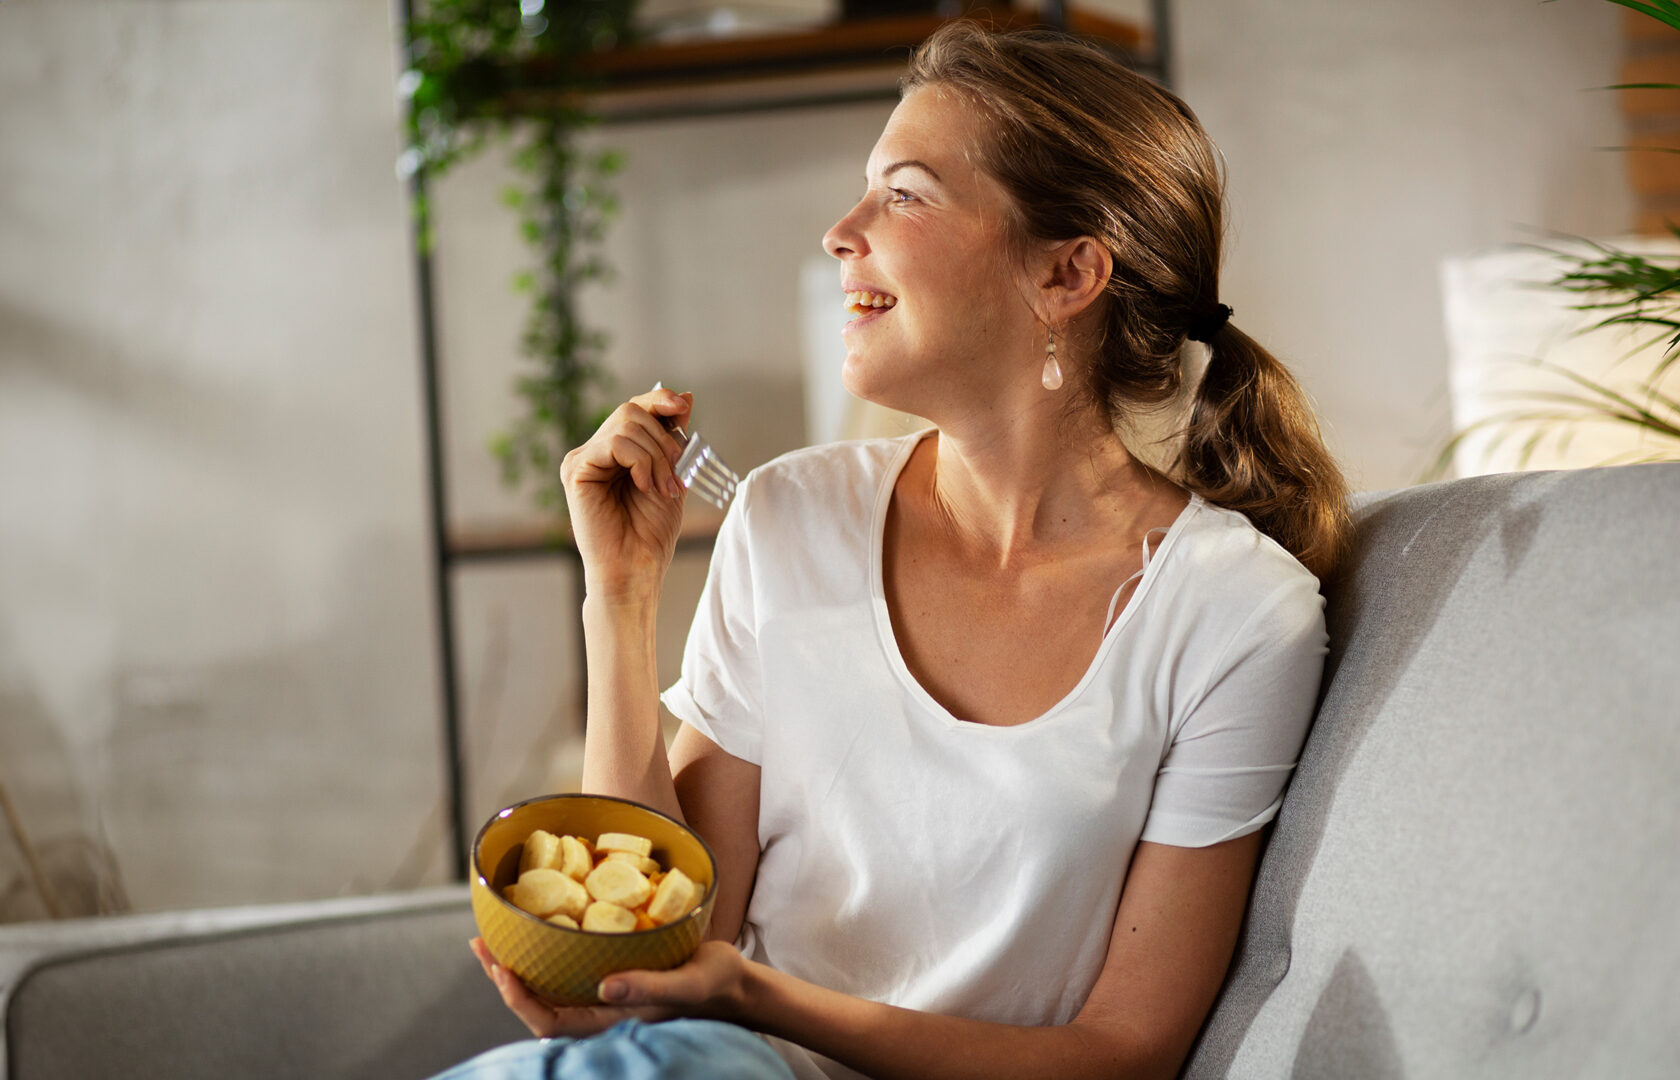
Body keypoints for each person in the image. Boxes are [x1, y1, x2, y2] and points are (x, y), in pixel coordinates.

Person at [441, 20, 1349, 1080]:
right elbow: (669, 929)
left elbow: (1125, 1054)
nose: (840, 230)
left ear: (1067, 276)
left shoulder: (1238, 615)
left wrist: (757, 999)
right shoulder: (788, 516)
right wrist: (622, 594)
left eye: (904, 194)